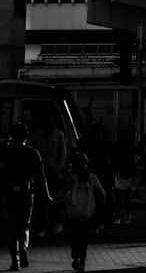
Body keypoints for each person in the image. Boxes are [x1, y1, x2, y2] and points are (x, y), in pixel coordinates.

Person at [1, 120, 51, 270]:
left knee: (11, 226)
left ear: (12, 135)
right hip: (27, 193)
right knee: (25, 225)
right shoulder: (33, 153)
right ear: (26, 136)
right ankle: (24, 248)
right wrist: (47, 195)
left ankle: (14, 261)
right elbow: (41, 177)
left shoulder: (5, 152)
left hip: (8, 194)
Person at [59, 150, 105, 273]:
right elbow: (102, 194)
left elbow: (63, 193)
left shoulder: (72, 178)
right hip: (87, 213)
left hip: (74, 213)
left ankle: (75, 258)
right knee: (84, 237)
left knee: (75, 236)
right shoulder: (92, 178)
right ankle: (82, 261)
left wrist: (54, 201)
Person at [31, 115, 67, 235]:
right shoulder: (37, 135)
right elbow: (33, 152)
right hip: (41, 172)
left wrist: (57, 169)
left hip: (53, 172)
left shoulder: (59, 134)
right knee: (40, 201)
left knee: (55, 199)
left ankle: (55, 224)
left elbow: (62, 154)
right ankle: (42, 227)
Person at [112, 128, 137, 227]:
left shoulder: (119, 146)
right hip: (126, 172)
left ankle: (120, 216)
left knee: (121, 197)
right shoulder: (129, 146)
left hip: (122, 172)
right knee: (124, 197)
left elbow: (114, 159)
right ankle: (125, 215)